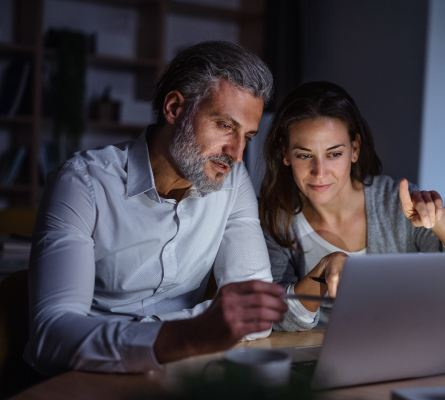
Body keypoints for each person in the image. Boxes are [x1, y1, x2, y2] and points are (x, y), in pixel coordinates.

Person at [25, 41, 288, 376]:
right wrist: (191, 333)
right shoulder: (82, 184)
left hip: (179, 369)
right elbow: (52, 336)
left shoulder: (233, 182)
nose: (236, 155)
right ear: (175, 108)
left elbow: (255, 316)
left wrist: (180, 337)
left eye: (247, 137)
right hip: (84, 377)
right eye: (225, 126)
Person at [259, 81, 445, 331]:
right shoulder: (277, 220)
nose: (319, 172)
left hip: (401, 353)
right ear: (285, 153)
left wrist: (440, 218)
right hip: (317, 357)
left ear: (354, 149)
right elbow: (271, 317)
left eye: (334, 154)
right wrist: (323, 272)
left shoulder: (396, 203)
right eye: (304, 155)